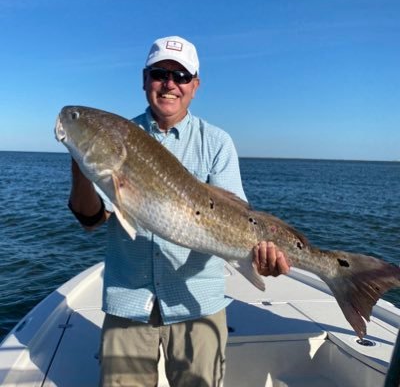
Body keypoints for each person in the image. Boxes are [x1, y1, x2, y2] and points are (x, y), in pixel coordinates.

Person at [68, 36, 290, 387]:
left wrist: (261, 256)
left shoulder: (216, 143)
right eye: (159, 73)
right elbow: (91, 218)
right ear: (144, 80)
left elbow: (237, 214)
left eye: (181, 76)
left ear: (195, 85)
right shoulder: (116, 137)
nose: (170, 84)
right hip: (128, 304)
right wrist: (80, 162)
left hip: (197, 306)